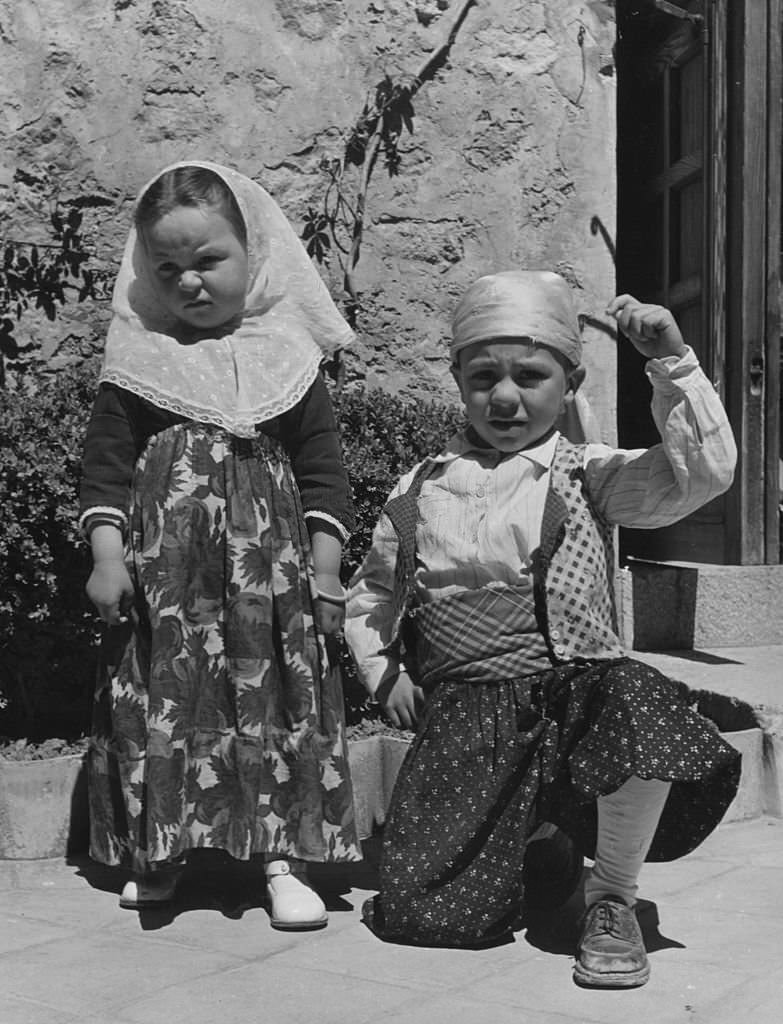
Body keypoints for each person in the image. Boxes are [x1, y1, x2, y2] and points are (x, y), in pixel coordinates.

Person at [344, 270, 741, 987]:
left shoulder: (587, 473)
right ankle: (542, 842)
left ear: (568, 382)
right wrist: (386, 671)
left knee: (638, 703)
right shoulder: (421, 485)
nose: (504, 396)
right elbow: (372, 592)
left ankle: (610, 896)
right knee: (424, 916)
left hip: (573, 696)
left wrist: (670, 362)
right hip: (468, 709)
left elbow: (701, 473)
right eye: (483, 377)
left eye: (529, 376)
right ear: (458, 380)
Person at [79, 160, 361, 927]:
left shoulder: (286, 358)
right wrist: (108, 557)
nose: (190, 281)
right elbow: (103, 470)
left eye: (209, 260)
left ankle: (282, 858)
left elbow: (324, 472)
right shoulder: (138, 361)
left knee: (271, 703)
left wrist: (326, 575)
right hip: (169, 583)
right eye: (168, 267)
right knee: (167, 700)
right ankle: (162, 849)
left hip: (270, 587)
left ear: (253, 251)